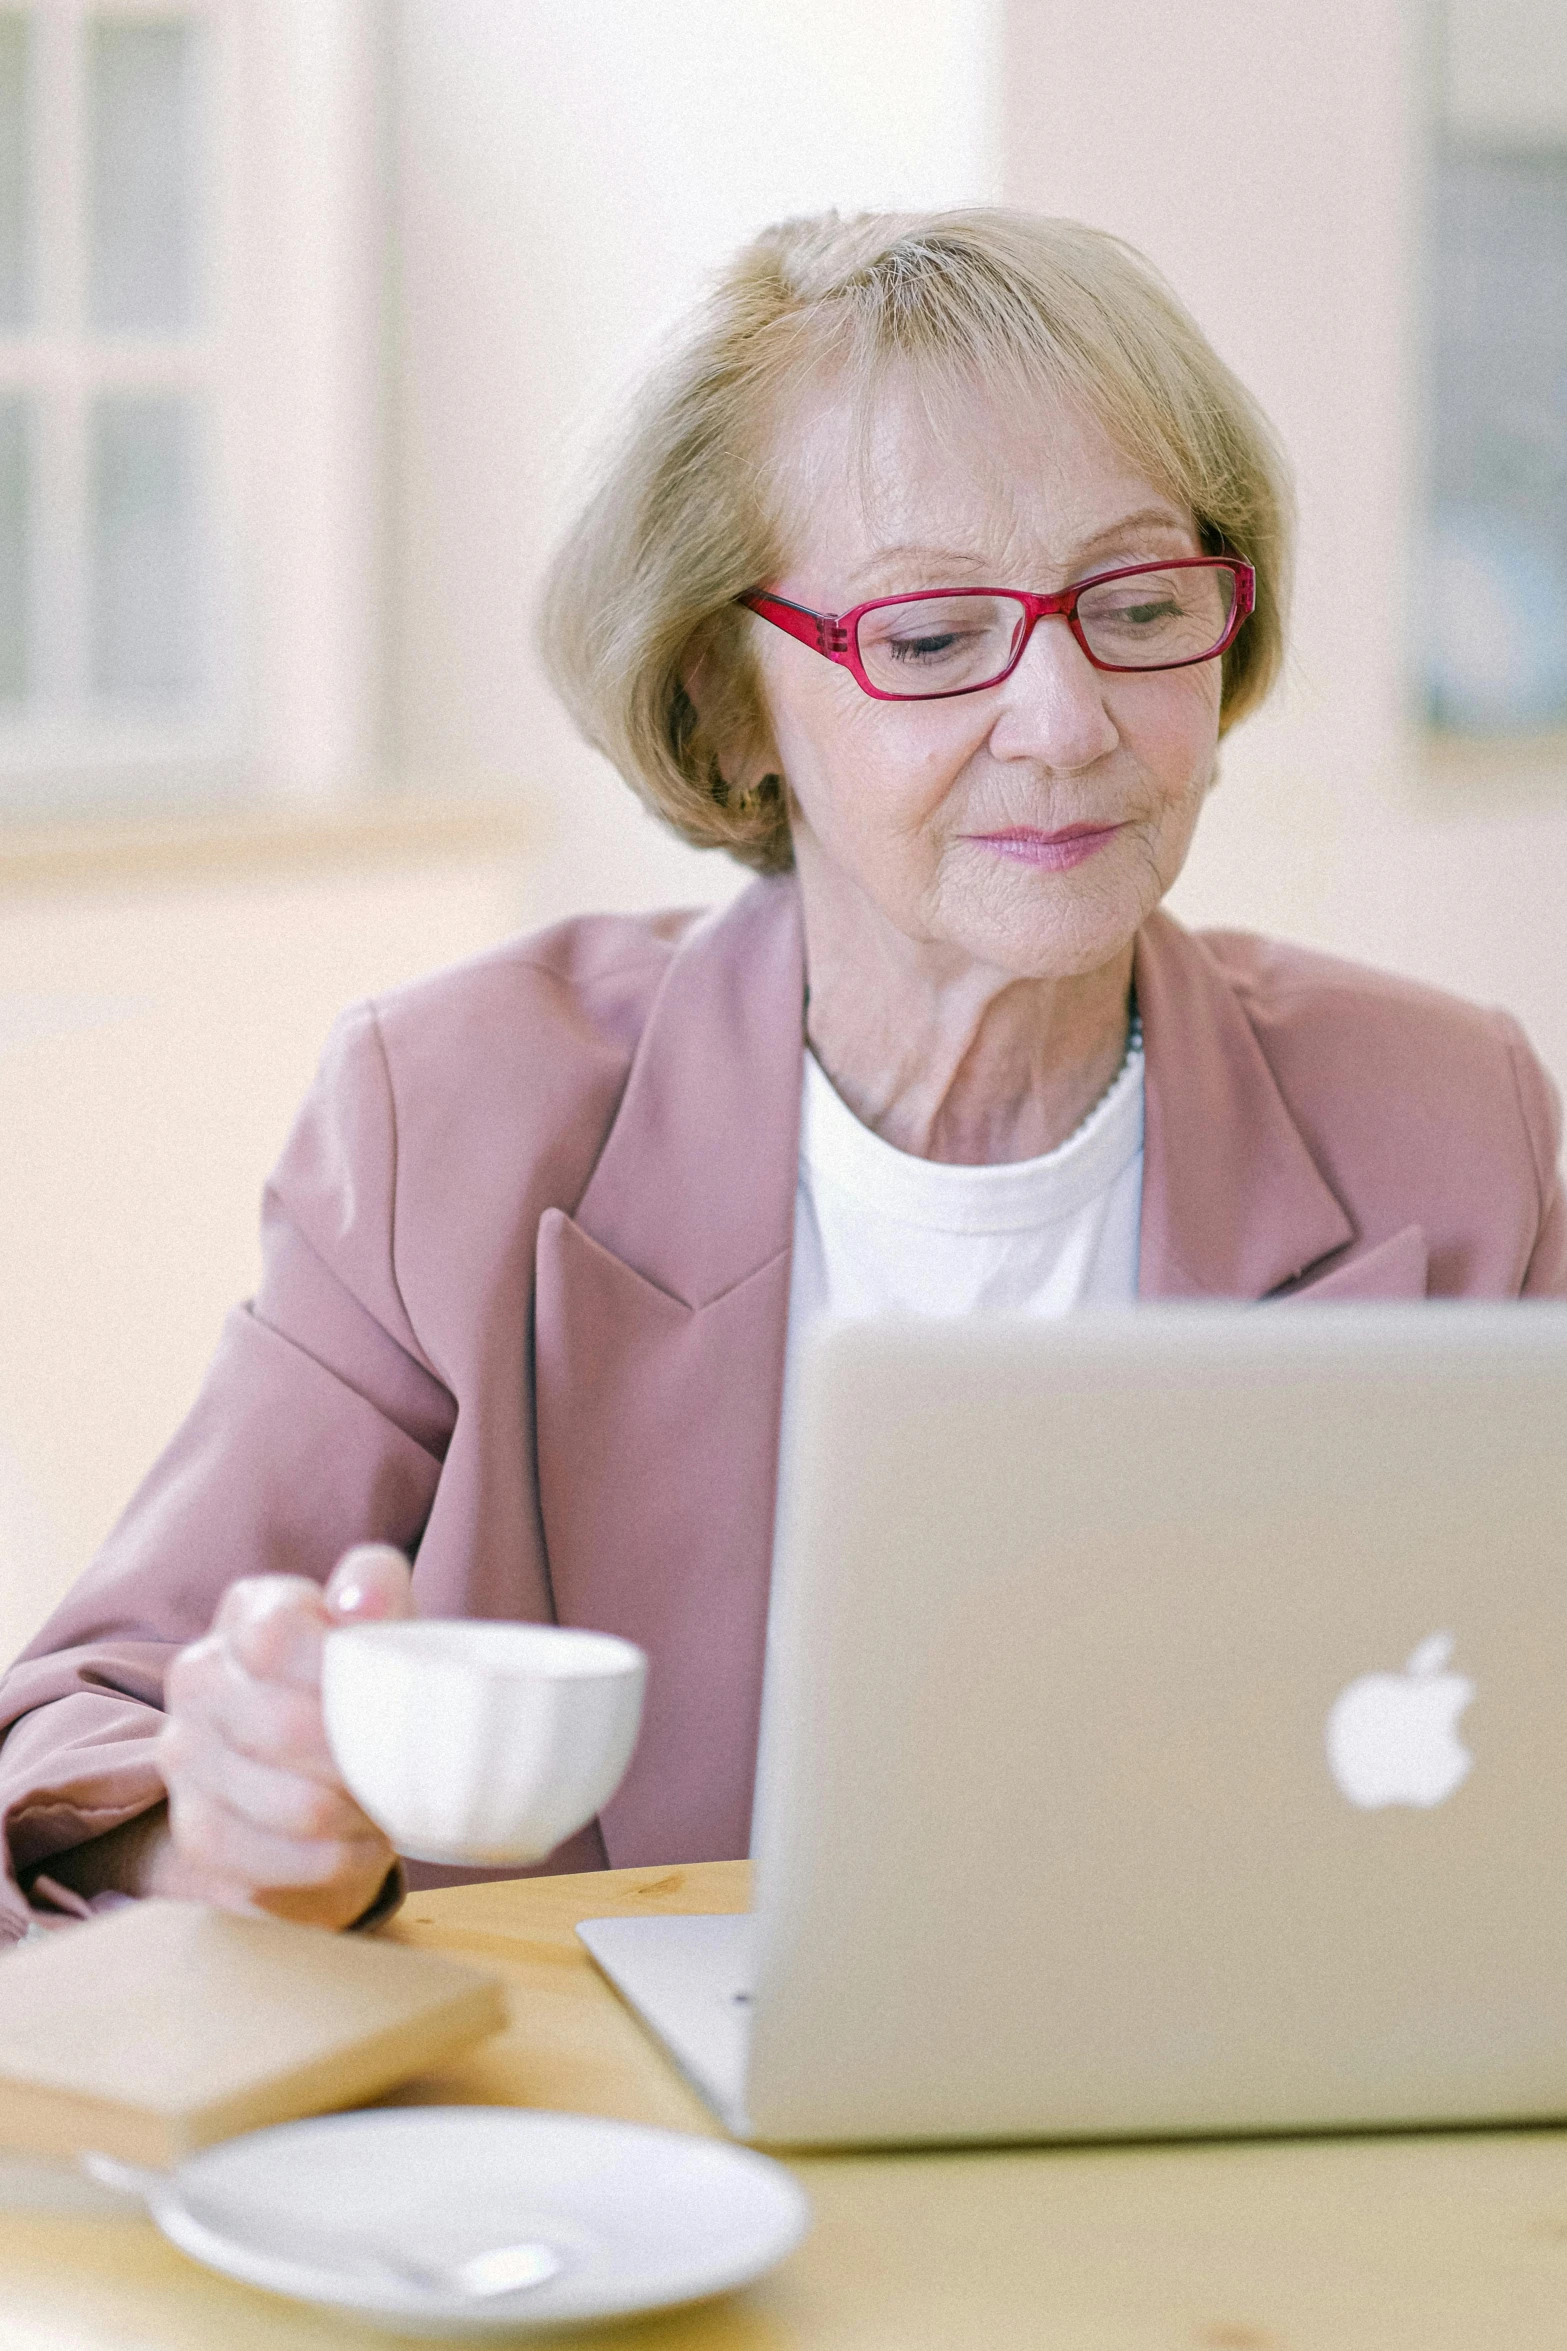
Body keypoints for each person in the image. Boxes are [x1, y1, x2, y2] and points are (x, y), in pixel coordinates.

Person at [2, 209, 1561, 1944]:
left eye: (1134, 606)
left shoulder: (1446, 1122)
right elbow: (72, 1743)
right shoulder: (456, 1114)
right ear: (728, 702)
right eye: (926, 637)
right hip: (612, 2180)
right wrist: (216, 1824)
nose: (1064, 718)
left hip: (1241, 2164)